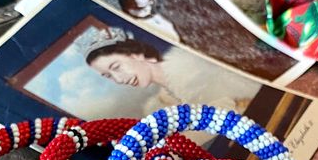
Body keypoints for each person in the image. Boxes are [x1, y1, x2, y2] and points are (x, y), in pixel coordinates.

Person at [85, 38, 261, 115]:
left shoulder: (191, 62)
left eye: (116, 67)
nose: (119, 79)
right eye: (108, 76)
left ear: (136, 54)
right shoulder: (158, 105)